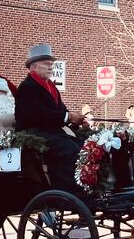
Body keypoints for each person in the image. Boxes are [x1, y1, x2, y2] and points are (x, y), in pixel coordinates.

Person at [15, 44, 86, 196]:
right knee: (69, 149)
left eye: (51, 64)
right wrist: (68, 116)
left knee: (84, 145)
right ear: (34, 66)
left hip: (50, 131)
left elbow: (59, 109)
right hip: (33, 133)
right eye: (46, 63)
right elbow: (39, 115)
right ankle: (67, 192)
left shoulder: (50, 86)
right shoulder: (27, 87)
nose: (50, 66)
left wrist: (74, 118)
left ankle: (87, 186)